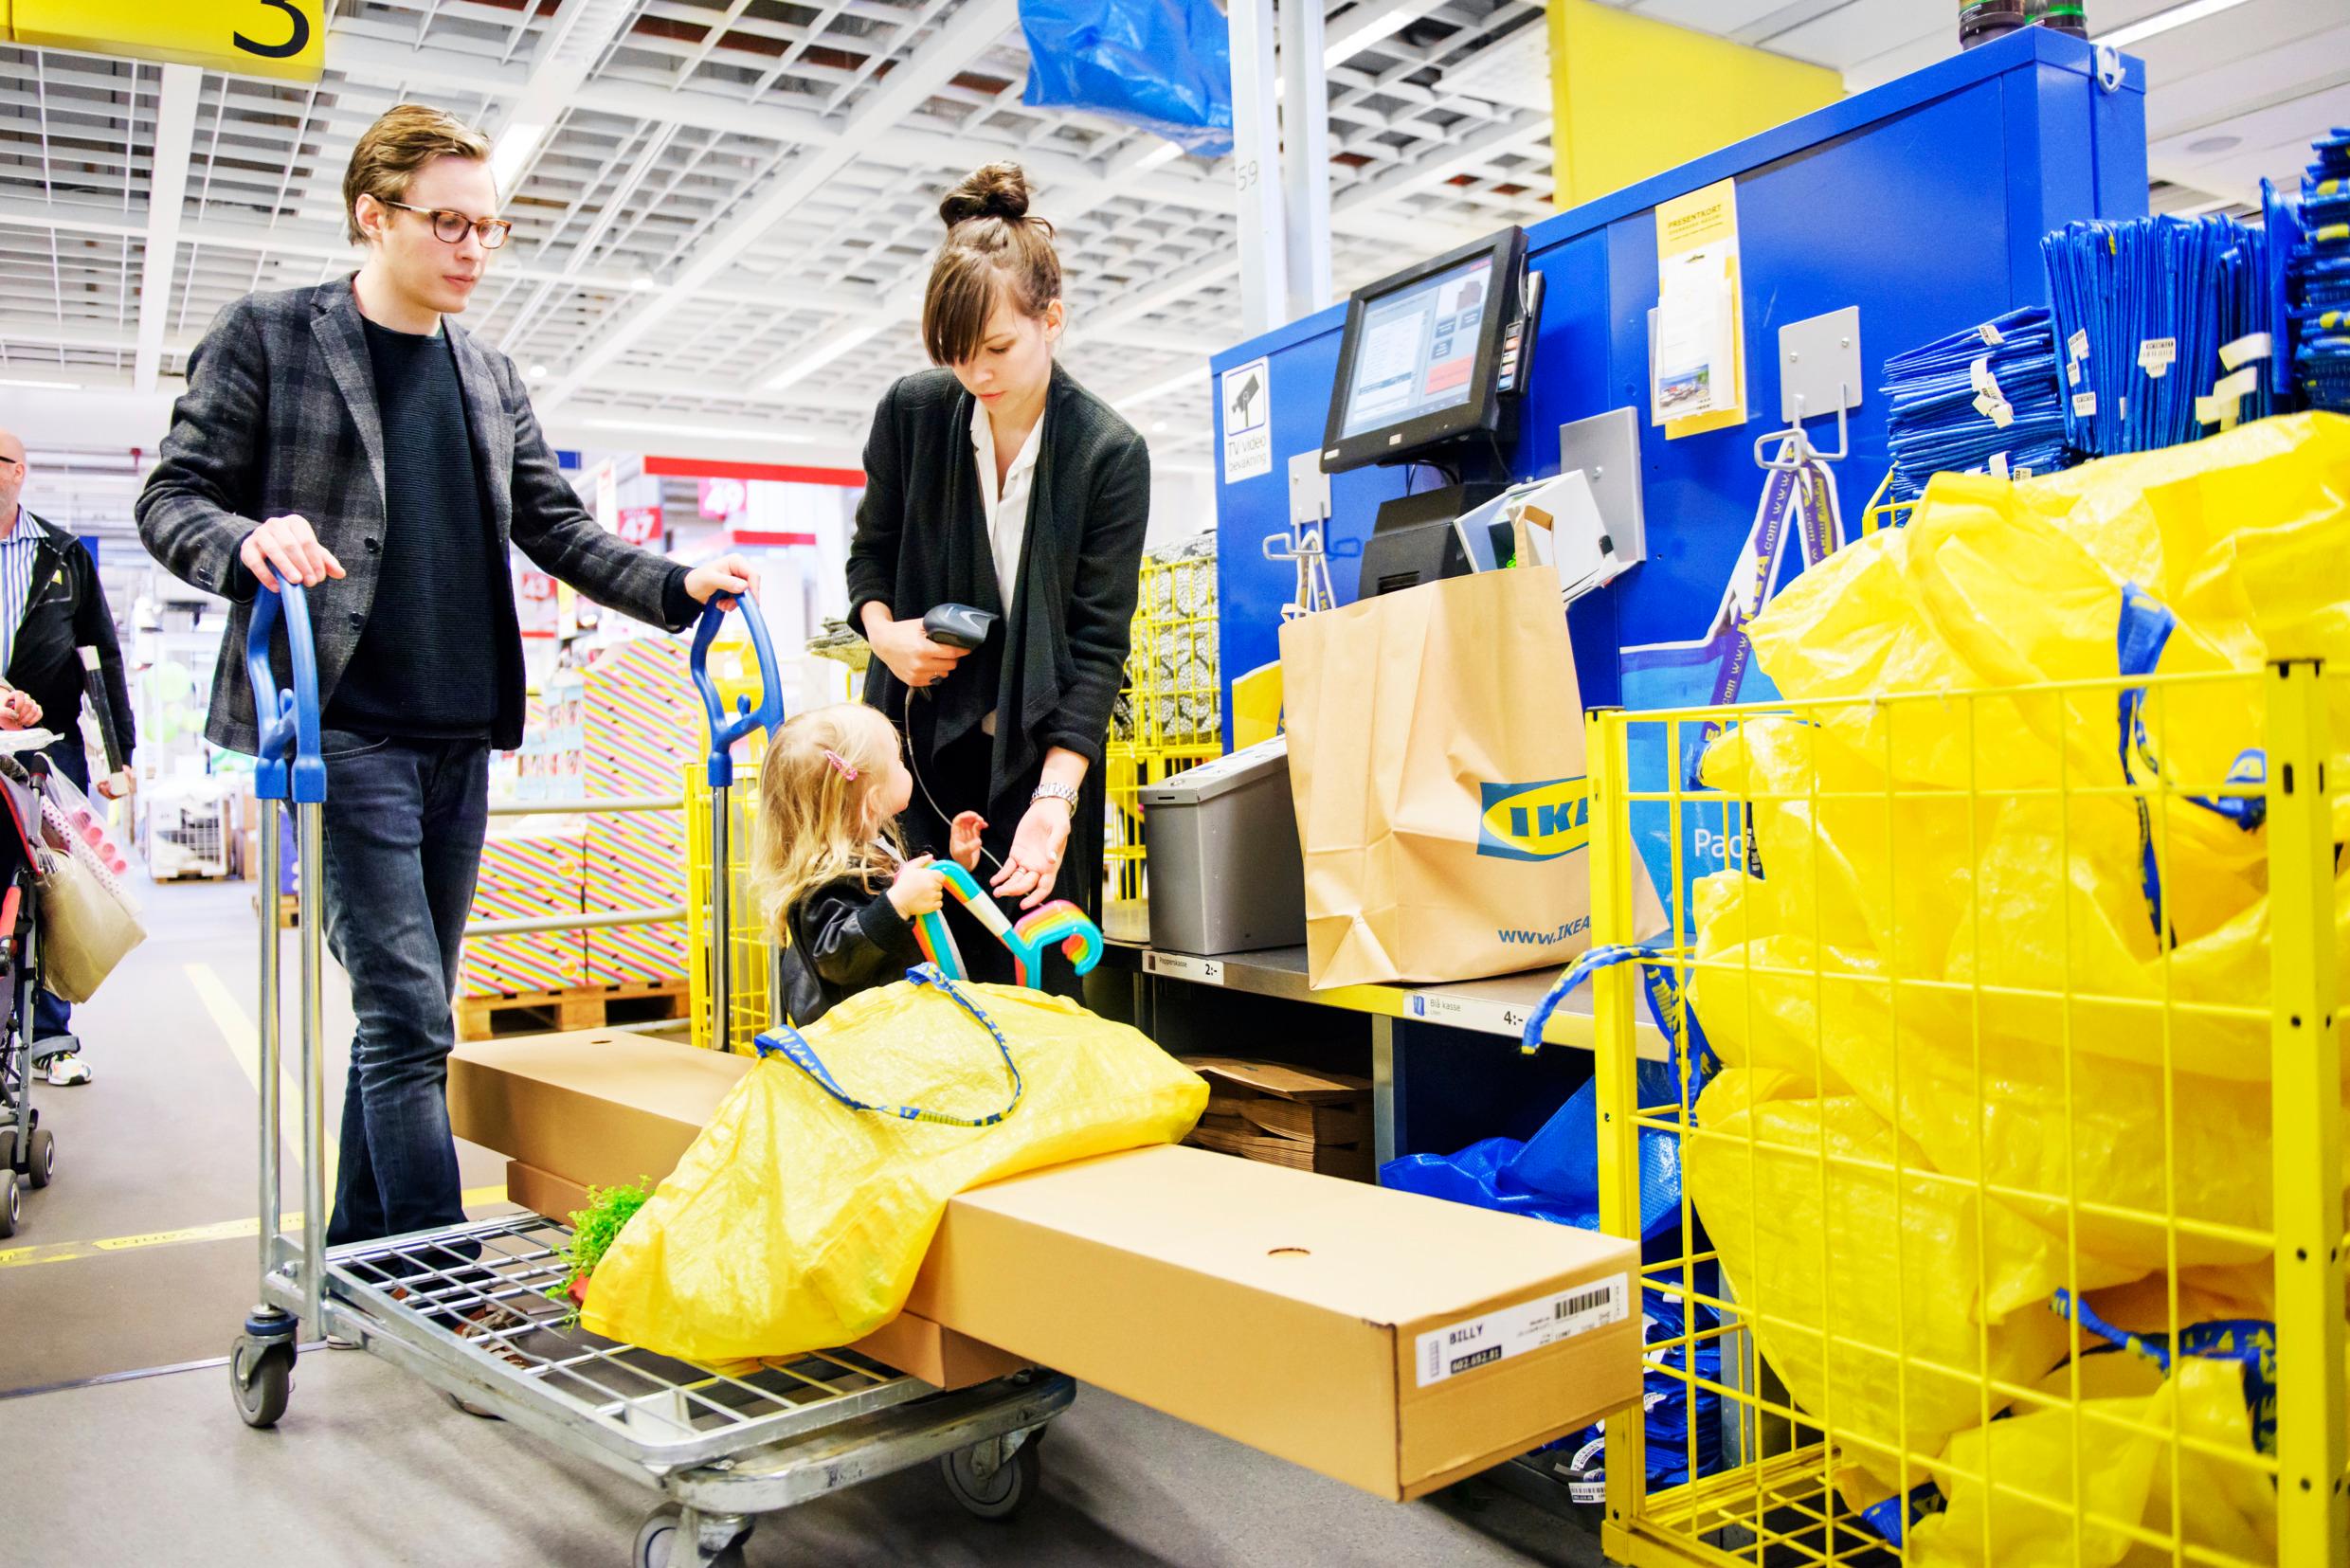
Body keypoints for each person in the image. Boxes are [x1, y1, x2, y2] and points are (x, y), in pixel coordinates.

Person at [136, 105, 762, 1257]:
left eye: (492, 226)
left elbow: (558, 527)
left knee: (403, 1018)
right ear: (373, 215)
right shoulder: (271, 337)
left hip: (459, 736)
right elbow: (170, 499)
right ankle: (440, 1271)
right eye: (451, 222)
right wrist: (245, 543)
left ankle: (356, 1248)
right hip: (340, 731)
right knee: (412, 1010)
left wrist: (679, 585)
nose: (475, 248)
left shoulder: (488, 372)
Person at [845, 162, 1150, 992]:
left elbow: (1095, 648)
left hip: (1040, 762)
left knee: (1039, 993)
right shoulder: (913, 414)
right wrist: (887, 634)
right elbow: (869, 553)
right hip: (914, 759)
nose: (976, 375)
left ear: (1053, 319)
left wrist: (1056, 802)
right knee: (915, 997)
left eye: (998, 348)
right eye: (956, 355)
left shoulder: (1107, 455)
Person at [0, 424, 137, 1087]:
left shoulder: (61, 555)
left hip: (49, 756)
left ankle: (50, 1039)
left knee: (55, 893)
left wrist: (119, 754)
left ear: (19, 472)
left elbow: (100, 660)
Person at [753, 703, 986, 1027]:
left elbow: (914, 913)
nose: (905, 769)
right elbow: (835, 956)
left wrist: (954, 865)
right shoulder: (827, 875)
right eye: (898, 762)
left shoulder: (870, 848)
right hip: (862, 1039)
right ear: (872, 797)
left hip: (889, 1026)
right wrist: (898, 904)